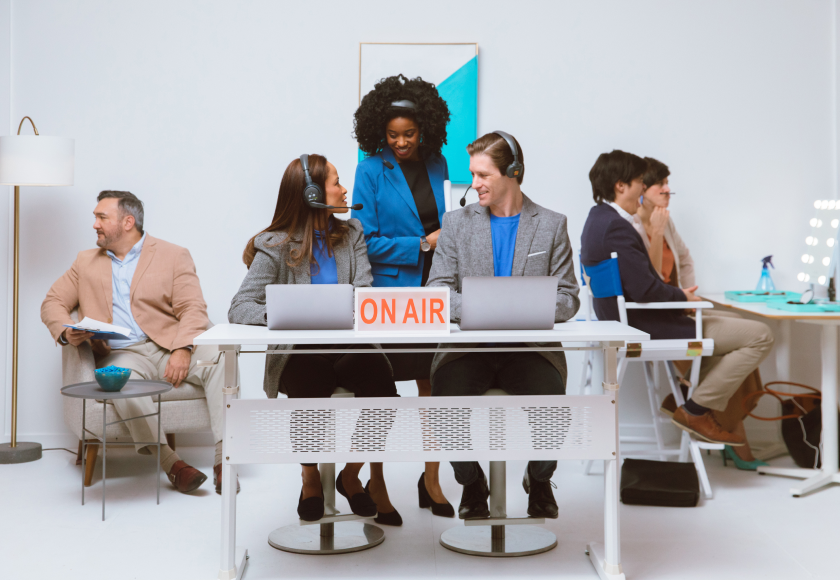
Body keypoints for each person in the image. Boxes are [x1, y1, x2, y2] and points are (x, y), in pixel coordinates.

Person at [228, 154, 401, 525]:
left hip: (349, 347)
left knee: (383, 388)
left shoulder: (351, 233)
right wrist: (284, 314)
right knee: (310, 383)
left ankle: (351, 474)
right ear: (311, 193)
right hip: (301, 351)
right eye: (336, 182)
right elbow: (240, 306)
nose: (344, 189)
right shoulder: (273, 244)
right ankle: (309, 475)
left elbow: (365, 291)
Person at [427, 132, 580, 520]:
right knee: (446, 404)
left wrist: (517, 309)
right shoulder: (456, 224)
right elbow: (438, 291)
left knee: (552, 405)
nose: (474, 183)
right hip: (468, 348)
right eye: (472, 174)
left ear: (513, 172)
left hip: (529, 348)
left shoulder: (551, 224)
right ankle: (471, 481)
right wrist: (488, 307)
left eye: (483, 175)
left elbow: (568, 298)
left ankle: (540, 479)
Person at [580, 150, 774, 449]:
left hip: (632, 319)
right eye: (639, 184)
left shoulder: (598, 219)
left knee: (733, 328)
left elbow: (650, 279)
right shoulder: (617, 226)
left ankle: (685, 398)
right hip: (645, 324)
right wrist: (682, 296)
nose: (642, 191)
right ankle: (695, 410)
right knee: (760, 335)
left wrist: (680, 297)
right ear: (621, 186)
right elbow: (646, 289)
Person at [41, 190, 227, 494]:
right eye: (95, 217)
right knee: (118, 381)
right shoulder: (85, 262)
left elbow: (192, 308)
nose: (94, 224)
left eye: (102, 217)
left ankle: (224, 459)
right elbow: (52, 302)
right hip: (122, 353)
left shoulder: (173, 254)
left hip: (168, 344)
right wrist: (68, 331)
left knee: (222, 356)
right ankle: (173, 464)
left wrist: (183, 349)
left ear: (128, 222)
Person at [351, 74, 453, 516]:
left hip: (437, 288)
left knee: (434, 385)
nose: (400, 143)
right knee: (383, 390)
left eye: (408, 134)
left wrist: (443, 246)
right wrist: (423, 244)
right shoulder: (370, 169)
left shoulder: (439, 164)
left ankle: (431, 478)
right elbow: (365, 240)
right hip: (391, 294)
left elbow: (451, 224)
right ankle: (376, 481)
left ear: (424, 129)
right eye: (392, 135)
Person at [635, 156, 768, 469]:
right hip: (660, 316)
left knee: (743, 336)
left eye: (668, 184)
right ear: (642, 190)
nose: (668, 190)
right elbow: (649, 283)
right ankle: (702, 413)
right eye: (661, 184)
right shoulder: (633, 227)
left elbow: (685, 259)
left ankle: (686, 399)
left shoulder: (665, 221)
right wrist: (654, 233)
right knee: (749, 343)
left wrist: (690, 298)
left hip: (679, 308)